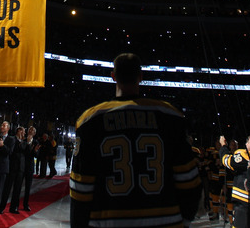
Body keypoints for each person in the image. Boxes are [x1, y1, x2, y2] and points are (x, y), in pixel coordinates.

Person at [70, 53, 201, 227]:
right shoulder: (170, 116)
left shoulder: (90, 120)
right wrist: (185, 219)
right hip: (164, 220)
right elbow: (189, 181)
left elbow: (81, 188)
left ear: (113, 76)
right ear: (140, 77)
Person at [221, 134, 250, 228]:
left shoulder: (247, 156)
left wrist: (223, 146)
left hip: (244, 202)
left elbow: (227, 161)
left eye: (248, 142)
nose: (246, 143)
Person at [0, 126, 27, 214]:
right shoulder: (12, 139)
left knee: (17, 189)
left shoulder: (24, 142)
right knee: (7, 188)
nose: (24, 133)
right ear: (19, 131)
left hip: (20, 168)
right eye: (23, 131)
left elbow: (25, 151)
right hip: (12, 167)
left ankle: (14, 207)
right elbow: (13, 151)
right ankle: (1, 207)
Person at [0, 120, 15, 217]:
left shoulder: (11, 139)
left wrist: (2, 146)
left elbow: (9, 152)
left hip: (3, 167)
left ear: (8, 128)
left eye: (4, 125)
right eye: (2, 125)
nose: (2, 127)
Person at [23, 125, 39, 211]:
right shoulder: (23, 140)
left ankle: (26, 204)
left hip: (29, 166)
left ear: (34, 133)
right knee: (17, 186)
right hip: (22, 166)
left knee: (28, 187)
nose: (30, 131)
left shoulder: (36, 142)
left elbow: (36, 155)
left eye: (32, 130)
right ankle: (15, 205)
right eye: (29, 129)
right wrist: (28, 143)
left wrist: (35, 151)